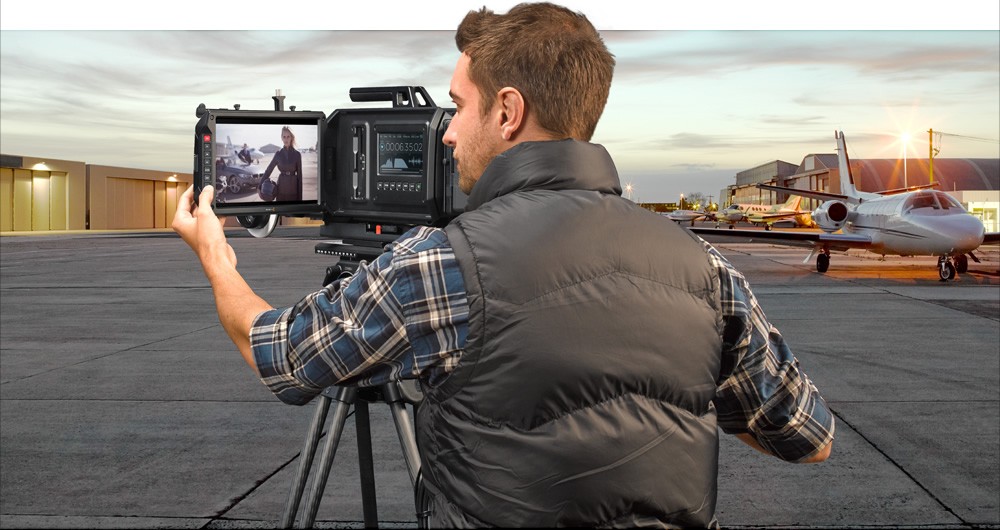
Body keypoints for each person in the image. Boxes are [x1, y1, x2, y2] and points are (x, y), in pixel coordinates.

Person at [173, 3, 834, 527]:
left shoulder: (440, 267)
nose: (448, 132)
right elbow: (809, 437)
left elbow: (280, 355)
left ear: (509, 112)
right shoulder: (706, 269)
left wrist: (216, 257)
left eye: (459, 106)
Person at [261, 126, 302, 201]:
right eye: (284, 137)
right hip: (280, 189)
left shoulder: (297, 154)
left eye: (288, 136)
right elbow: (268, 170)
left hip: (293, 190)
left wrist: (300, 200)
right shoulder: (278, 154)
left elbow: (300, 177)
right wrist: (259, 186)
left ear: (291, 137)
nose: (286, 139)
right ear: (281, 138)